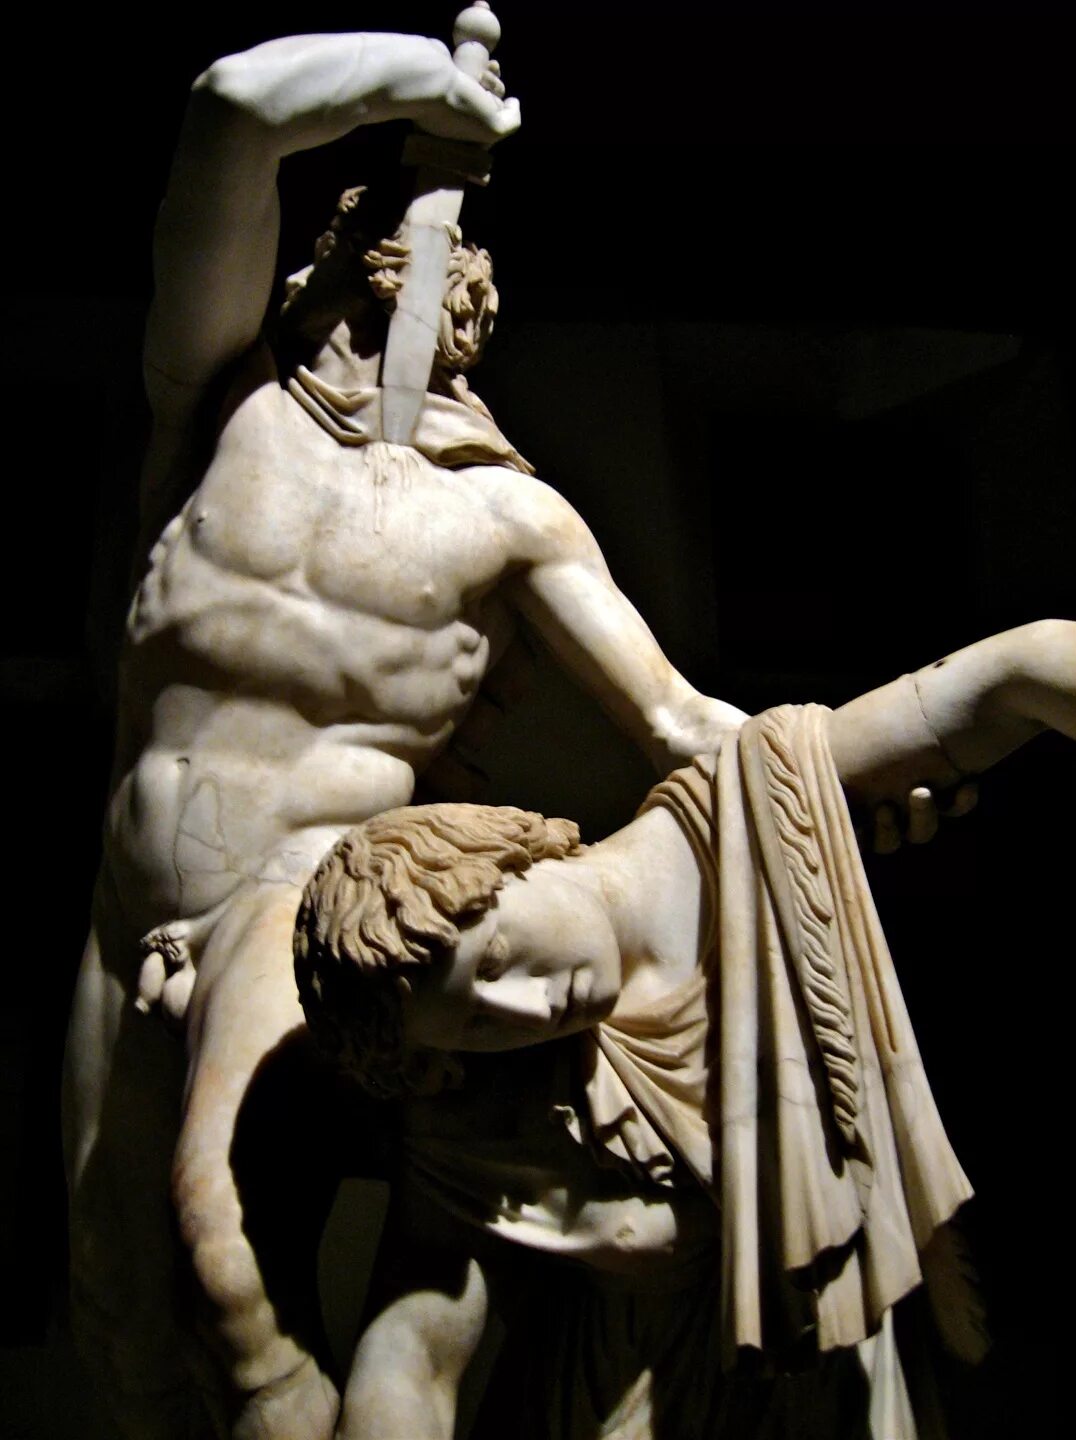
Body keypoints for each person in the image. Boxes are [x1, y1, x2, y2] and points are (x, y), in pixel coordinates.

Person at [61, 29, 761, 1440]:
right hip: (126, 917)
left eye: (443, 296)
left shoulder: (510, 515)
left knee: (236, 1289)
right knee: (124, 1323)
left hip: (307, 918)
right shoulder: (223, 403)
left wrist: (836, 779)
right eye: (368, 270)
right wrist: (415, 88)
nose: (403, 307)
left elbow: (679, 718)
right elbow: (230, 108)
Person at [293, 620, 1076, 1440]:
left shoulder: (753, 815)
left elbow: (1022, 670)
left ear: (511, 858)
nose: (530, 1008)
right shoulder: (486, 1110)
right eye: (479, 1026)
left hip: (837, 1393)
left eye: (495, 959)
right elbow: (412, 1351)